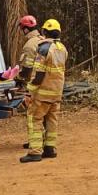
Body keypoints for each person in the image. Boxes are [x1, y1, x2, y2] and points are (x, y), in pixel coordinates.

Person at [20, 19, 67, 163]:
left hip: (43, 92)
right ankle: (50, 148)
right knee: (52, 120)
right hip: (57, 92)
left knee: (35, 119)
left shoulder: (44, 48)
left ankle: (35, 152)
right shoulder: (62, 48)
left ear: (45, 32)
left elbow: (39, 73)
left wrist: (30, 89)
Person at [17, 15, 46, 149]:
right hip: (47, 83)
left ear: (26, 29)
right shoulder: (43, 40)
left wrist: (17, 78)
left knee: (32, 114)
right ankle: (45, 139)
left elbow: (27, 69)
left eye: (22, 29)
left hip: (34, 83)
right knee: (44, 113)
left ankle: (34, 141)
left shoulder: (29, 45)